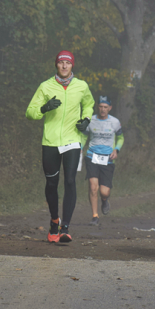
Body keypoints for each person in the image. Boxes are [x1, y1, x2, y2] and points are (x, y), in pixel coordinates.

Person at [26, 50, 95, 243]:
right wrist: (44, 108)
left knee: (71, 180)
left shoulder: (81, 86)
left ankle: (65, 227)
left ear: (72, 65)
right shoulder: (45, 86)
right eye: (61, 63)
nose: (64, 66)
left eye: (68, 63)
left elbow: (89, 104)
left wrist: (86, 119)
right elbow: (30, 112)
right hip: (50, 141)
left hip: (73, 139)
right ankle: (54, 221)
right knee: (51, 184)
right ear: (56, 65)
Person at [83, 96, 124, 226]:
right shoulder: (91, 121)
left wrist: (116, 149)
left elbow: (121, 138)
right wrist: (80, 148)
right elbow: (84, 136)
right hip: (92, 156)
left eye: (105, 107)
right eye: (100, 106)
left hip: (108, 159)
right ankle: (95, 216)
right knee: (93, 187)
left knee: (103, 191)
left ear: (110, 108)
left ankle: (105, 200)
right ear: (97, 107)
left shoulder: (115, 122)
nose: (103, 109)